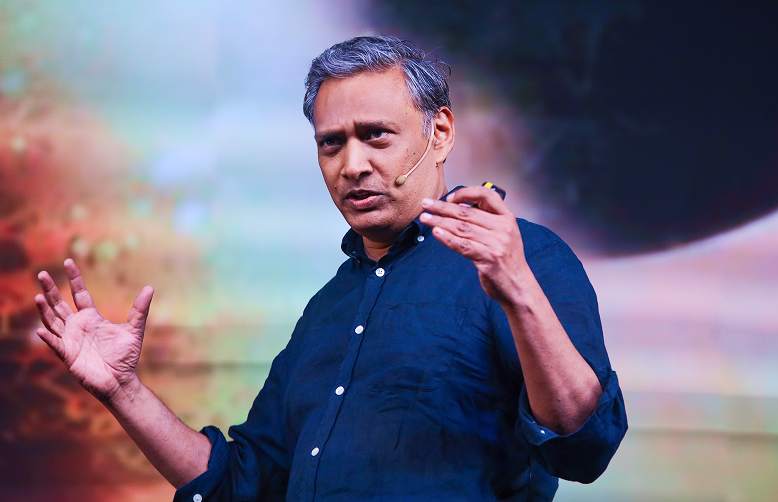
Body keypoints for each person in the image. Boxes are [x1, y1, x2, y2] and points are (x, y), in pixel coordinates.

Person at [33, 36, 627, 501]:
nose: (353, 165)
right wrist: (124, 391)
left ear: (441, 133)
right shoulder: (328, 308)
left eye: (376, 136)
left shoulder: (522, 256)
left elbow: (585, 448)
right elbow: (244, 484)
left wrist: (519, 292)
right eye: (331, 143)